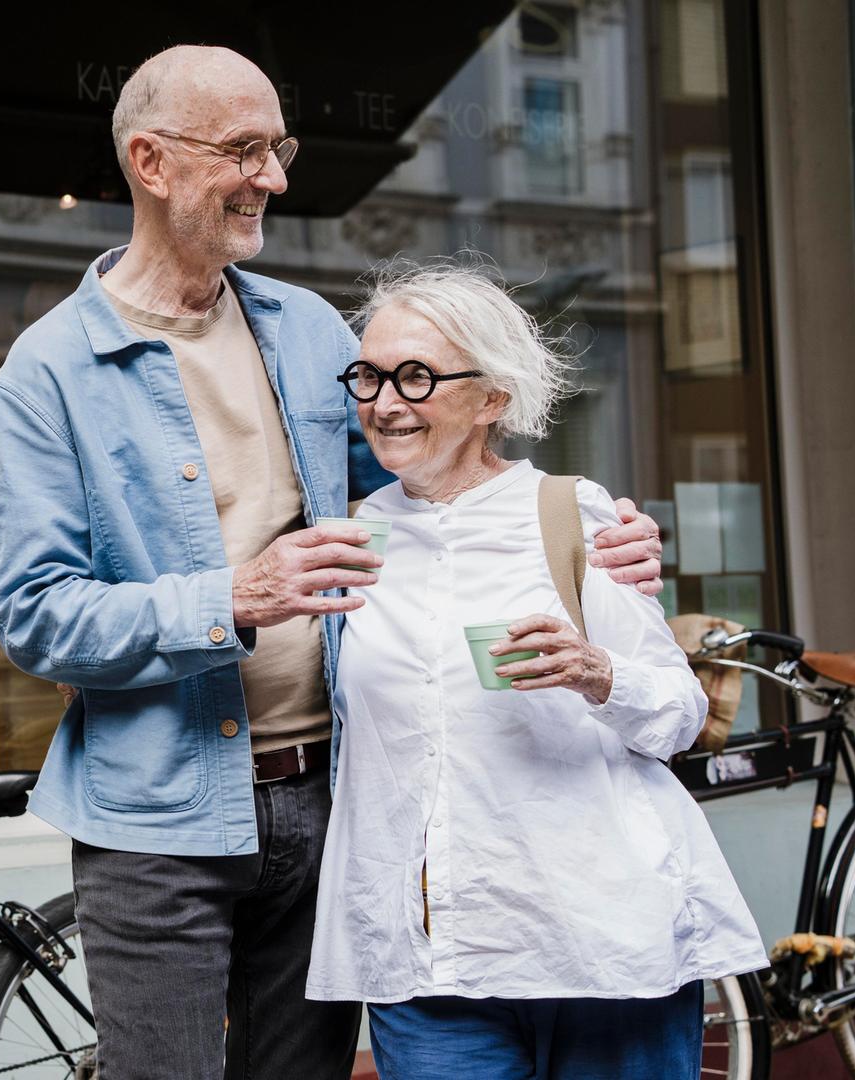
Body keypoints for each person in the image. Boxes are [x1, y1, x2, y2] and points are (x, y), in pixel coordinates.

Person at [0, 44, 666, 1080]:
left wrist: (589, 526)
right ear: (152, 161)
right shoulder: (49, 371)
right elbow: (35, 616)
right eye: (245, 150)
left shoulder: (304, 329)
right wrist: (234, 597)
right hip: (157, 817)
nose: (276, 178)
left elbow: (428, 481)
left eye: (279, 147)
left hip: (333, 799)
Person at [304, 262, 767, 1079]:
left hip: (599, 941)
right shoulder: (345, 542)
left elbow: (680, 716)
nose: (383, 401)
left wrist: (598, 672)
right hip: (430, 959)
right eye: (370, 375)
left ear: (492, 399)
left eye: (416, 376)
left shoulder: (571, 515)